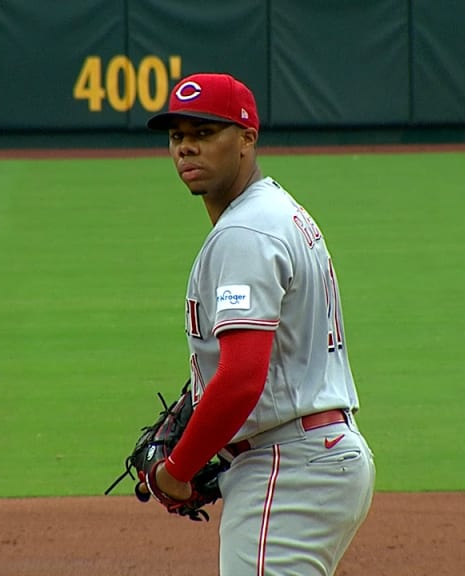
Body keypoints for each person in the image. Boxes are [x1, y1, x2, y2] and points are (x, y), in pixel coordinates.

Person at [142, 72, 375, 575]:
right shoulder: (277, 212)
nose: (186, 148)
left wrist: (177, 471)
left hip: (288, 467)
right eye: (177, 136)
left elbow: (244, 377)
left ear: (247, 138)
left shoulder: (246, 230)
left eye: (204, 133)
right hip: (315, 454)